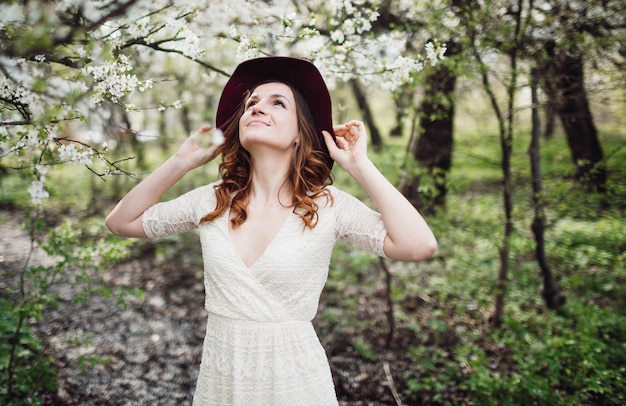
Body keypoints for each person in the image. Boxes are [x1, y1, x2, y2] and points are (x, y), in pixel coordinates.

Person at [105, 56, 437, 405]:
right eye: (252, 103)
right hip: (223, 382)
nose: (257, 108)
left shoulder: (328, 206)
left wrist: (360, 166)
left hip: (297, 384)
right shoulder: (211, 201)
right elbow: (120, 222)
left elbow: (419, 245)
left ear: (300, 132)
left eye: (277, 103)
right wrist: (181, 162)